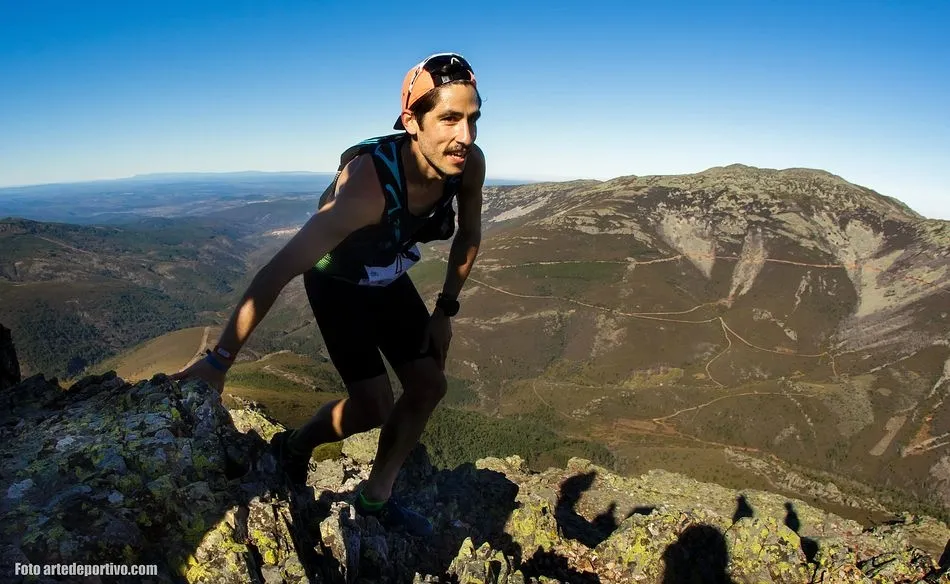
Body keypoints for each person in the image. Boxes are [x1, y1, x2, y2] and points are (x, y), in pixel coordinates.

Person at [170, 52, 485, 537]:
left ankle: (376, 500)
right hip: (337, 283)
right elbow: (277, 271)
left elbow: (468, 237)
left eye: (473, 118)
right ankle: (295, 446)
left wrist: (445, 311)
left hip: (386, 276)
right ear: (411, 121)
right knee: (373, 405)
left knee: (428, 386)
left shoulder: (469, 166)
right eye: (449, 118)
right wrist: (219, 362)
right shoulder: (365, 189)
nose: (464, 136)